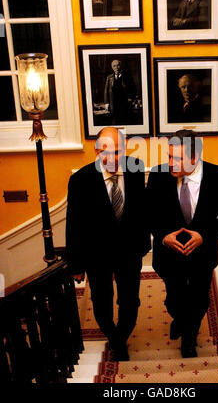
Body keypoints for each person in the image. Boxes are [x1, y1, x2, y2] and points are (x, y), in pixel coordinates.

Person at [146, 130, 218, 358]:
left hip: (202, 255)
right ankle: (180, 319)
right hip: (168, 254)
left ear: (195, 158)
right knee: (174, 297)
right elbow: (148, 214)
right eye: (168, 156)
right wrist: (163, 236)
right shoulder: (158, 175)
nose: (169, 163)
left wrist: (204, 235)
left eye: (176, 158)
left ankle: (189, 336)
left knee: (199, 297)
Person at [66, 127, 150, 361]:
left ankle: (121, 336)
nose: (112, 158)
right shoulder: (80, 180)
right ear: (96, 151)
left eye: (118, 152)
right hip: (97, 254)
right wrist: (75, 265)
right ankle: (115, 338)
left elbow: (141, 210)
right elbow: (74, 223)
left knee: (130, 300)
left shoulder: (135, 169)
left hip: (129, 251)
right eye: (106, 152)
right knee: (101, 302)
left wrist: (144, 243)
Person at [103, 59, 137, 125]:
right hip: (113, 102)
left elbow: (134, 89)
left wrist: (130, 98)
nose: (116, 67)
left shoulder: (127, 76)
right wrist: (106, 102)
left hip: (124, 102)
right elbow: (106, 91)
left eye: (118, 65)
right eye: (114, 66)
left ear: (121, 66)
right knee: (114, 120)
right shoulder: (109, 77)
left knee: (125, 119)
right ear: (112, 67)